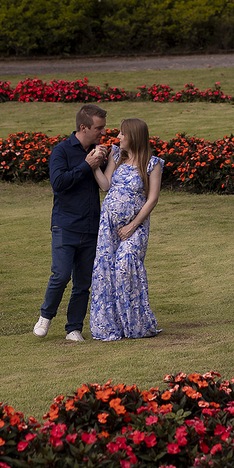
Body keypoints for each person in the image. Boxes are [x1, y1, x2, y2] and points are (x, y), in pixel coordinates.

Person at [34, 103, 108, 342]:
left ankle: (73, 328)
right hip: (65, 224)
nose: (102, 133)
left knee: (83, 282)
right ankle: (46, 316)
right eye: (99, 128)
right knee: (61, 274)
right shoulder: (62, 151)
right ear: (83, 127)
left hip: (91, 225)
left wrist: (104, 161)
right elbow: (58, 183)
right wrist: (86, 165)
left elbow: (107, 183)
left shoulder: (100, 151)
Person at [89, 117, 164, 341]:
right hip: (109, 225)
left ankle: (137, 324)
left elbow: (152, 199)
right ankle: (112, 326)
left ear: (134, 136)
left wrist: (132, 226)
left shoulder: (153, 164)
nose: (118, 137)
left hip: (135, 227)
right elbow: (106, 185)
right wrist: (94, 168)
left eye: (122, 133)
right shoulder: (117, 156)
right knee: (107, 272)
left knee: (125, 265)